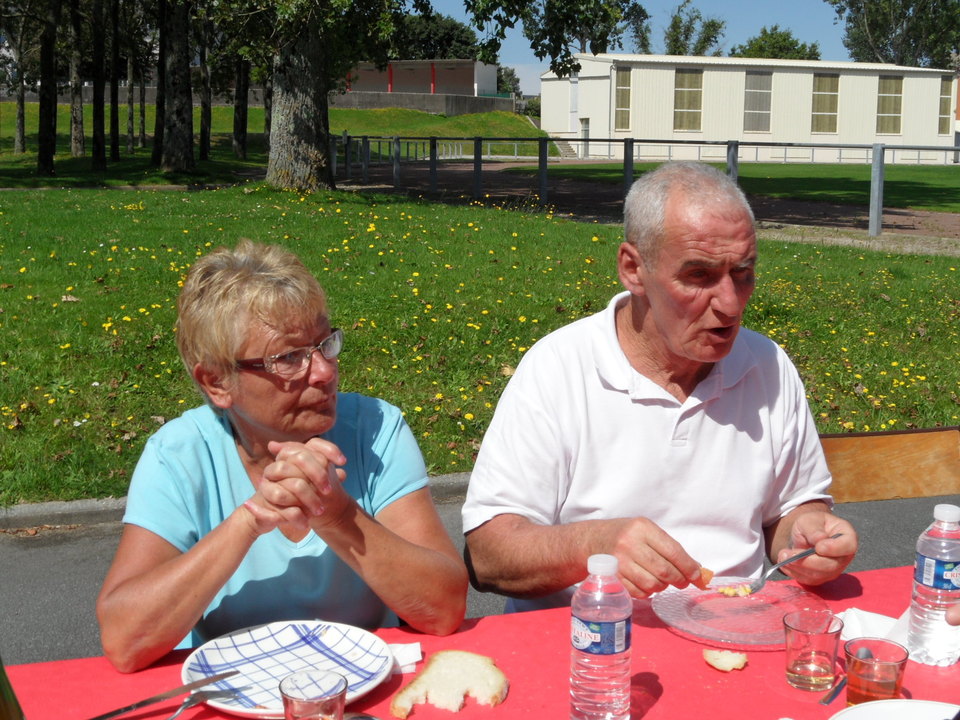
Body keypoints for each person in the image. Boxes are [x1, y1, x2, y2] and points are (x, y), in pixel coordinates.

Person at [461, 161, 858, 612]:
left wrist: (806, 535)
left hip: (737, 623)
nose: (731, 304)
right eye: (698, 276)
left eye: (743, 272)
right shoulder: (561, 367)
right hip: (593, 635)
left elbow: (791, 509)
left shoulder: (766, 365)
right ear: (633, 269)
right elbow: (489, 556)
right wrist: (594, 546)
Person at [97, 240, 468, 672]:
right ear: (217, 382)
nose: (325, 372)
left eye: (325, 344)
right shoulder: (179, 455)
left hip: (367, 687)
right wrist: (250, 520)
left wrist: (336, 515)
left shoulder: (375, 429)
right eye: (290, 357)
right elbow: (125, 641)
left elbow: (444, 608)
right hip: (235, 693)